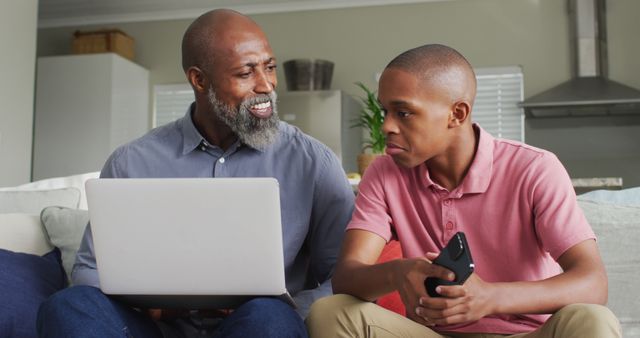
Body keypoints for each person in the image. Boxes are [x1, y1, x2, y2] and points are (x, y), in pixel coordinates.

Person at [37, 9, 354, 338]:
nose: (267, 85)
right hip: (156, 328)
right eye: (246, 73)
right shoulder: (131, 163)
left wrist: (289, 309)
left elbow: (343, 276)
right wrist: (157, 306)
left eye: (270, 67)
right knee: (67, 305)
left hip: (257, 327)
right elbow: (90, 270)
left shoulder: (313, 162)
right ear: (199, 80)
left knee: (269, 316)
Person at [306, 44, 621, 338]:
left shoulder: (535, 168)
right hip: (432, 334)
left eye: (402, 113)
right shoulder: (384, 172)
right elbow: (346, 277)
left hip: (526, 333)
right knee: (329, 313)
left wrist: (490, 298)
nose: (386, 126)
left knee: (593, 320)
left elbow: (593, 283)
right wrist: (398, 273)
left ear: (456, 114)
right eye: (385, 110)